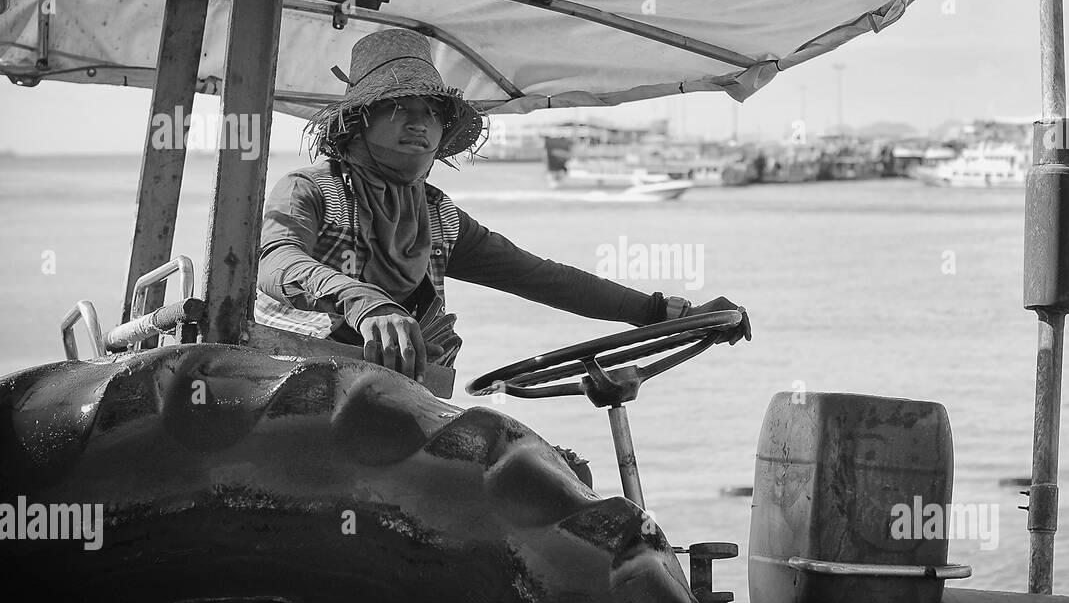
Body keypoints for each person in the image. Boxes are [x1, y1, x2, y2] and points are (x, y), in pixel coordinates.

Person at [255, 28, 749, 384]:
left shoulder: (437, 216)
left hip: (398, 404)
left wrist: (660, 311)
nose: (420, 122)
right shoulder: (314, 189)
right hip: (290, 390)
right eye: (399, 106)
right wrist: (361, 302)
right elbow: (273, 259)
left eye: (431, 112)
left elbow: (541, 276)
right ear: (358, 122)